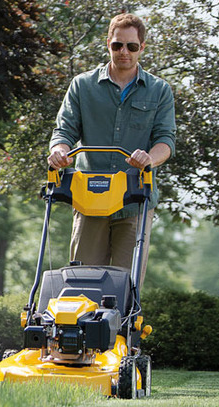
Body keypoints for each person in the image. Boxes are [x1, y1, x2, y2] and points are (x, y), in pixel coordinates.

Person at [47, 13, 176, 284]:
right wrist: (60, 150)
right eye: (117, 45)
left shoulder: (159, 91)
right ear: (108, 44)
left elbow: (166, 140)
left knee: (126, 286)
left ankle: (123, 327)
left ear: (142, 47)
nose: (124, 52)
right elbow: (64, 130)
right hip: (88, 197)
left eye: (131, 46)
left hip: (134, 200)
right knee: (81, 280)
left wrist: (148, 159)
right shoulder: (83, 86)